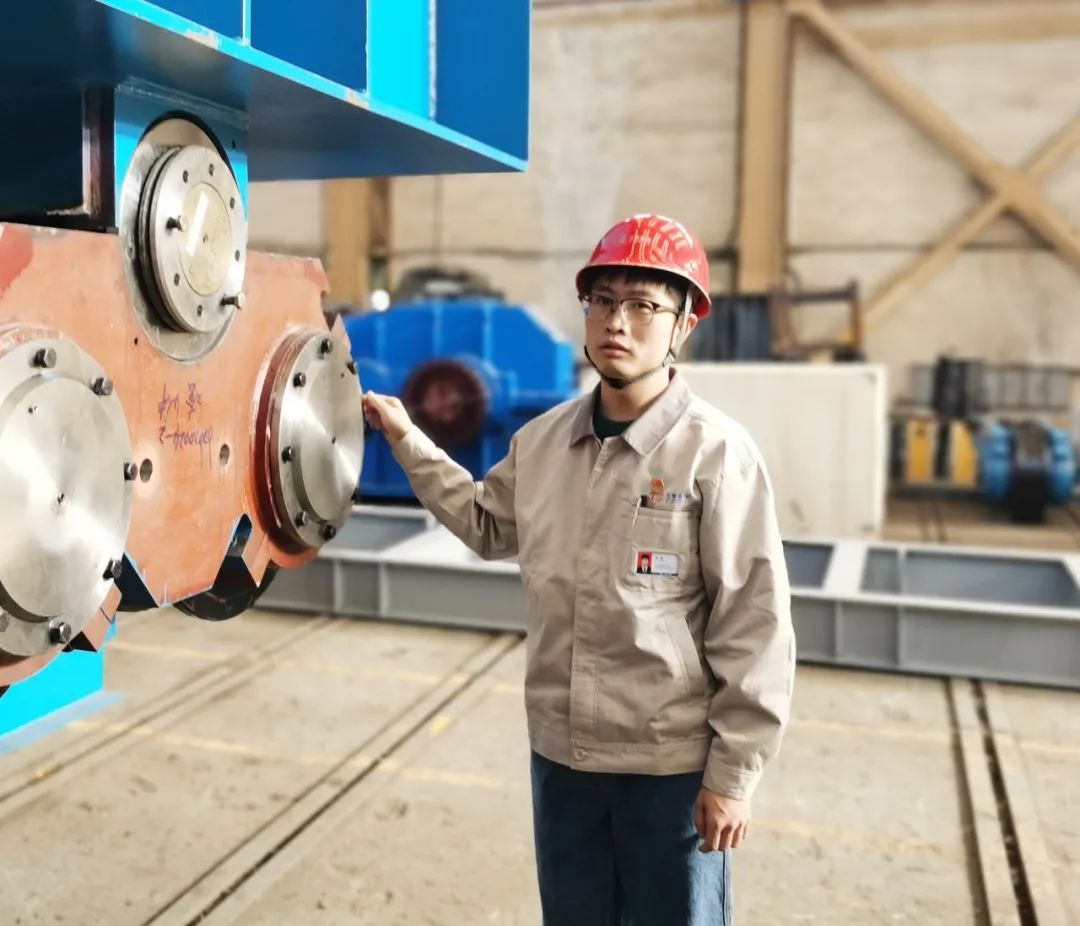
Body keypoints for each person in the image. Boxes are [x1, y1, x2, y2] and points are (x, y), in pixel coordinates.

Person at [363, 214, 795, 925]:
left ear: (684, 325)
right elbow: (487, 524)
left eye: (643, 305)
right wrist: (408, 439)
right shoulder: (542, 444)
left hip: (668, 770)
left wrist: (734, 774)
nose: (617, 321)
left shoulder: (716, 455)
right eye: (602, 300)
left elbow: (755, 620)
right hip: (562, 761)